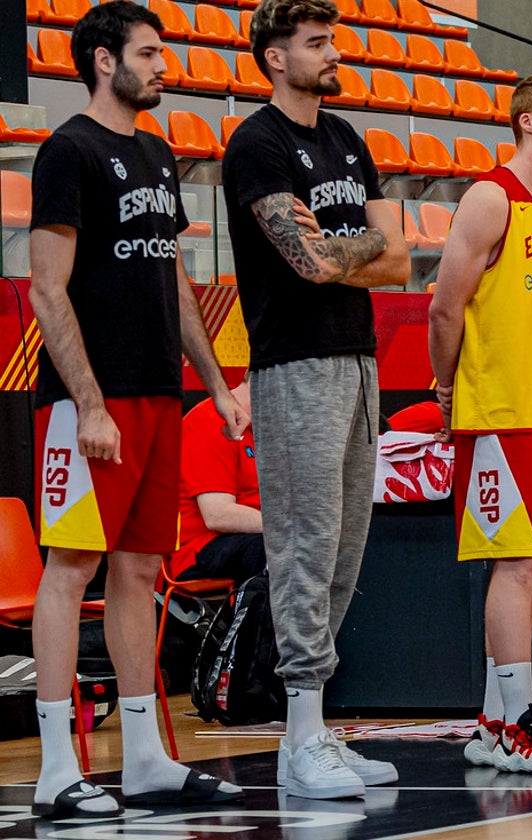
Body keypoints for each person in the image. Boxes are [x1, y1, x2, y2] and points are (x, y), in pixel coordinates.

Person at [26, 1, 246, 818]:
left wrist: (218, 385)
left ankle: (147, 759)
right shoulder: (67, 150)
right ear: (101, 61)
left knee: (141, 570)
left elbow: (176, 282)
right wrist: (86, 402)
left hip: (159, 395)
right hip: (92, 402)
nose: (165, 66)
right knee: (71, 567)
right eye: (149, 54)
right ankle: (57, 767)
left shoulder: (156, 153)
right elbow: (49, 289)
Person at [221, 0, 410, 800]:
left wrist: (347, 252)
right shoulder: (255, 145)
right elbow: (304, 263)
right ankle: (298, 741)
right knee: (303, 546)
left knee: (343, 554)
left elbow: (398, 261)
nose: (336, 53)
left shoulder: (347, 138)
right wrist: (346, 249)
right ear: (274, 58)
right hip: (294, 365)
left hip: (359, 362)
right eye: (318, 43)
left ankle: (318, 727)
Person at [428, 71, 532, 775]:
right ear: (526, 121)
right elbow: (444, 307)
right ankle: (520, 723)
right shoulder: (489, 197)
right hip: (499, 412)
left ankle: (497, 723)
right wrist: (444, 386)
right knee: (516, 565)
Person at [169, 375, 265, 585]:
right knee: (280, 551)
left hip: (256, 536)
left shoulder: (270, 430)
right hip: (203, 546)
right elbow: (217, 515)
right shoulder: (211, 420)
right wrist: (288, 529)